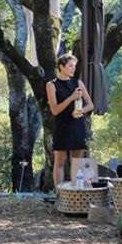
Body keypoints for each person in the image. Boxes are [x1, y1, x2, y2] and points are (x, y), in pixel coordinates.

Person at [45, 53, 93, 186]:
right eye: (70, 66)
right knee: (60, 161)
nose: (73, 69)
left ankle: (76, 190)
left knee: (77, 162)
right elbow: (55, 110)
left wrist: (80, 111)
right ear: (61, 66)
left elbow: (90, 105)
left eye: (74, 66)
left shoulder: (78, 83)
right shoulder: (51, 85)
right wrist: (71, 98)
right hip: (62, 126)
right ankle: (59, 192)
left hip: (77, 126)